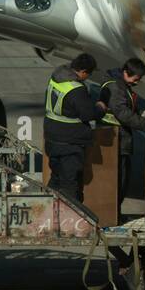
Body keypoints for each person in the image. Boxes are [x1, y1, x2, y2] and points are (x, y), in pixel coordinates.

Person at [44, 53, 109, 203]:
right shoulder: (76, 89)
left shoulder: (56, 77)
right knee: (70, 183)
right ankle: (70, 220)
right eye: (89, 74)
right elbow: (88, 114)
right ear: (83, 71)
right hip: (70, 141)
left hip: (52, 137)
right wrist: (100, 107)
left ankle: (48, 210)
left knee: (56, 177)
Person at [100, 56, 145, 206]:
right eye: (136, 78)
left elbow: (126, 107)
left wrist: (141, 112)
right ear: (126, 73)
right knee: (118, 180)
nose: (137, 82)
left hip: (119, 138)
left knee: (121, 178)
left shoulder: (121, 84)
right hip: (115, 140)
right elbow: (122, 113)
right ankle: (113, 213)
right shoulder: (116, 87)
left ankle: (115, 213)